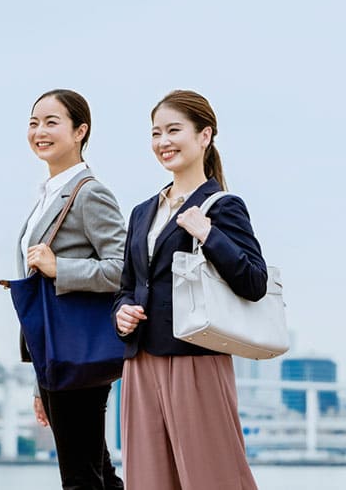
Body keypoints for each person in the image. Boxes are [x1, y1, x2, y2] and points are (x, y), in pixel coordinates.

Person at [113, 90, 266, 489]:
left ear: (204, 136)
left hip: (195, 358)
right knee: (148, 479)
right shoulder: (142, 211)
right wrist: (122, 312)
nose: (163, 142)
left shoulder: (222, 205)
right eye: (156, 133)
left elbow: (254, 282)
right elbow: (128, 285)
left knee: (213, 477)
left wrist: (208, 234)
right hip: (140, 360)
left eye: (174, 130)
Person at [17, 89, 126, 490]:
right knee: (98, 472)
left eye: (51, 122)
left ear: (80, 131)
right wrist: (38, 383)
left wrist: (59, 266)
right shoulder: (47, 196)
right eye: (33, 123)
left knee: (80, 479)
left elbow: (123, 270)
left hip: (79, 355)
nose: (39, 131)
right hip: (57, 360)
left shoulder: (89, 193)